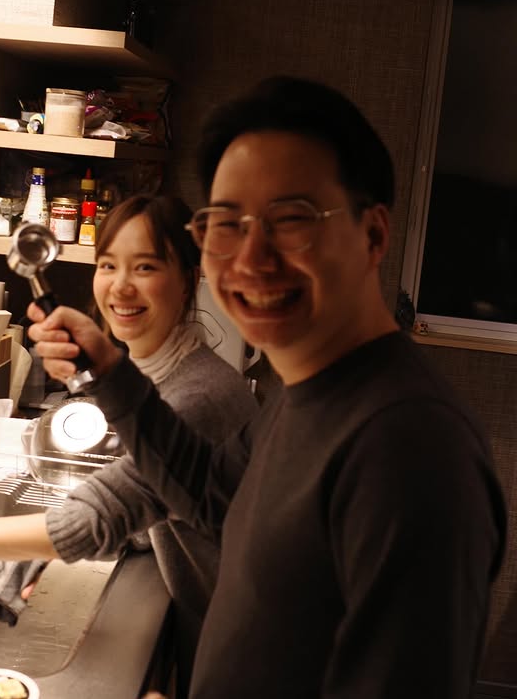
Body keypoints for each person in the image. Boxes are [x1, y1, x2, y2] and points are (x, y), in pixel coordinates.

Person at [27, 76, 507, 699]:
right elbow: (211, 493)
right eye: (227, 224)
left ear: (373, 236)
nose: (251, 259)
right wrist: (110, 371)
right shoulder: (306, 390)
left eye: (292, 220)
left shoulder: (409, 448)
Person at [0, 194, 257, 698]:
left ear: (188, 279)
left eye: (145, 266)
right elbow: (159, 500)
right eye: (108, 265)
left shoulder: (198, 397)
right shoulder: (161, 375)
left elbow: (93, 517)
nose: (120, 285)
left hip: (247, 651)